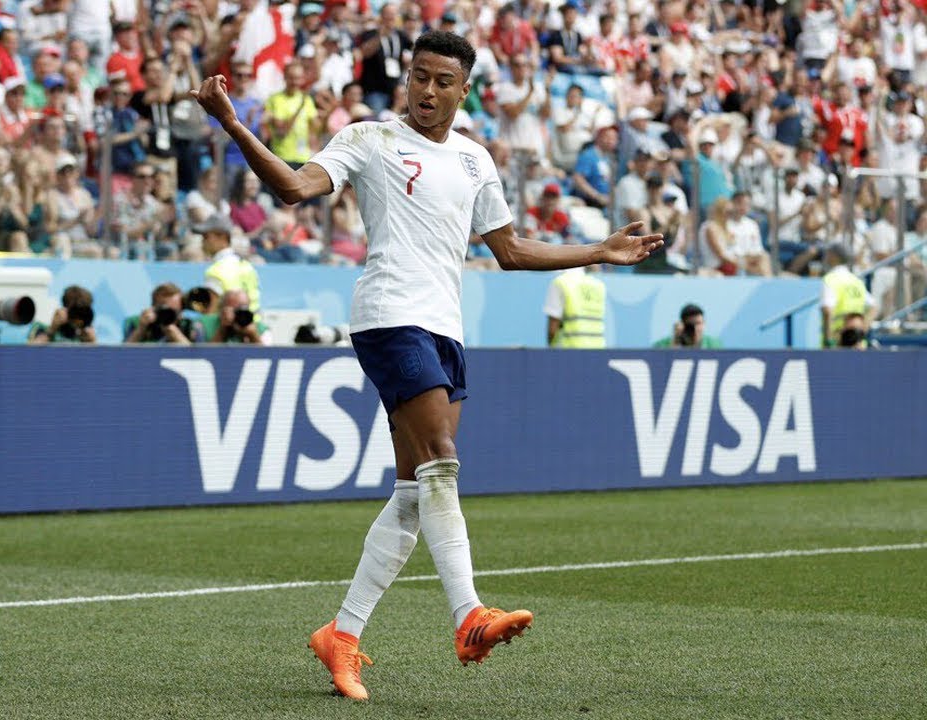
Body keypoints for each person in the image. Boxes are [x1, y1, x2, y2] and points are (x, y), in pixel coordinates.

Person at [191, 30, 662, 701]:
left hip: (444, 328)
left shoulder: (474, 161)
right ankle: (469, 615)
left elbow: (511, 251)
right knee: (441, 455)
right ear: (406, 79)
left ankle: (342, 635)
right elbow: (296, 188)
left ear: (463, 90)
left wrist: (599, 251)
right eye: (419, 76)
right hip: (389, 316)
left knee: (416, 491)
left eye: (443, 80)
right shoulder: (370, 139)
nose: (428, 91)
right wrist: (234, 124)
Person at [199, 215, 260, 313]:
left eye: (206, 236)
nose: (202, 241)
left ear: (222, 237)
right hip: (253, 325)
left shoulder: (215, 271)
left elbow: (210, 313)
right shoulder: (247, 266)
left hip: (226, 326)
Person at [820, 243, 875, 348]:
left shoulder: (830, 279)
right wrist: (861, 332)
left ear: (834, 256)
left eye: (828, 253)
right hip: (857, 345)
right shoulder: (856, 280)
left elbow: (828, 311)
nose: (825, 257)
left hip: (838, 343)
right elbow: (873, 307)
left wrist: (829, 341)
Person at [122, 282, 204, 344]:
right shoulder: (137, 323)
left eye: (176, 311)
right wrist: (140, 329)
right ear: (154, 307)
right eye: (167, 311)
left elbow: (196, 357)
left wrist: (172, 331)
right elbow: (121, 355)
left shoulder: (190, 326)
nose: (171, 315)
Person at [544, 266, 606, 348]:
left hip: (570, 350)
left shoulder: (560, 282)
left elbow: (553, 328)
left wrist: (551, 348)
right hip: (598, 349)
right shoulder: (598, 285)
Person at [29, 285, 96, 344]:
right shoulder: (41, 327)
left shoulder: (85, 335)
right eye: (75, 311)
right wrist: (51, 330)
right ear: (65, 309)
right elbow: (29, 353)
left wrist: (92, 342)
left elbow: (97, 357)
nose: (79, 316)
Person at [652, 303, 722, 348]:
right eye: (691, 325)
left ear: (704, 323)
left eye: (698, 323)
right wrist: (675, 341)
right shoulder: (662, 345)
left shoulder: (713, 345)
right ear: (682, 325)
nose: (694, 328)